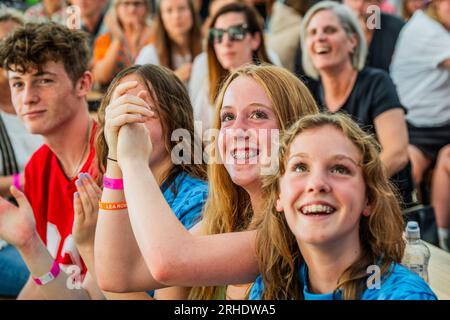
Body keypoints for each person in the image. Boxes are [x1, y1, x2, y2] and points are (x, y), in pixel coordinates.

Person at [95, 64, 319, 299]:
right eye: (228, 117)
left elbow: (170, 262)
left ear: (293, 129)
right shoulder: (226, 219)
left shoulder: (292, 228)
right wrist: (115, 157)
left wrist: (132, 159)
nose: (237, 130)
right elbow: (117, 275)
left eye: (258, 115)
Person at [249, 113, 437, 300]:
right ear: (278, 195)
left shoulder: (405, 296)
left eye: (340, 169)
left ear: (368, 199)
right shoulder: (268, 290)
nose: (317, 183)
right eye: (300, 167)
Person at [0, 23, 99, 299]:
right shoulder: (37, 167)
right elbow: (49, 280)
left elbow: (92, 297)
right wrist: (29, 244)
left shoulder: (112, 160)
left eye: (44, 80)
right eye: (18, 84)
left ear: (83, 84)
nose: (28, 97)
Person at [300, 1, 413, 207]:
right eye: (312, 32)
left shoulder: (377, 82)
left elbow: (397, 153)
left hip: (382, 203)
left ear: (352, 40)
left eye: (330, 30)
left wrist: (350, 184)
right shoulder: (307, 93)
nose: (319, 38)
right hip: (330, 203)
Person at [390, 0, 450, 251]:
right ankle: (408, 237)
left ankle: (440, 238)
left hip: (442, 124)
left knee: (446, 161)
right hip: (414, 125)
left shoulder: (436, 25)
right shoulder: (426, 30)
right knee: (405, 173)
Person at [0, 8, 43, 298]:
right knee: (68, 283)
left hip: (47, 227)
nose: (12, 53)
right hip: (5, 241)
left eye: (19, 44)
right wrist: (26, 180)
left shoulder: (41, 103)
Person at [189, 2, 279, 131]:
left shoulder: (276, 85)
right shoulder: (209, 89)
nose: (226, 42)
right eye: (218, 35)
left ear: (255, 39)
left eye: (236, 32)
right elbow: (197, 136)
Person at [135, 0, 202, 85]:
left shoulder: (207, 48)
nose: (176, 16)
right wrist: (174, 78)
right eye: (169, 10)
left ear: (192, 12)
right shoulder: (150, 53)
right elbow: (139, 87)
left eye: (182, 8)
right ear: (161, 17)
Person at [92, 0, 153, 89]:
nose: (132, 9)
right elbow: (100, 77)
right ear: (116, 8)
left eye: (137, 4)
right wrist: (118, 39)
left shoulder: (156, 34)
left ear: (147, 8)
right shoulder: (106, 38)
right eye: (126, 3)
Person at [343, 0, 404, 72]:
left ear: (379, 3)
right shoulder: (336, 27)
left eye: (368, 1)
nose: (359, 5)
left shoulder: (396, 28)